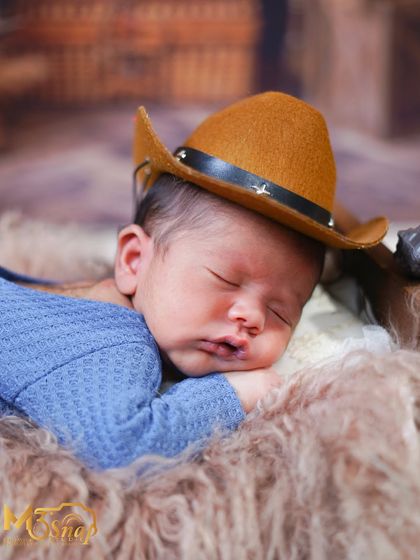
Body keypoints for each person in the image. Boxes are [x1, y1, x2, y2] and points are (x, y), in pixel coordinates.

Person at [0, 92, 388, 470]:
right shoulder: (112, 341)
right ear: (134, 261)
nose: (252, 317)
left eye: (280, 311)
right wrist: (236, 394)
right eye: (225, 279)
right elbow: (123, 445)